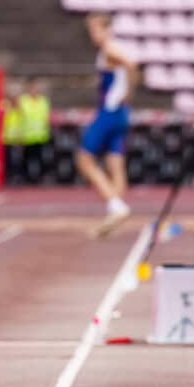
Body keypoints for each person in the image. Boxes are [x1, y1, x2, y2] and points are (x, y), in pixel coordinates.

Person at [78, 13, 138, 237]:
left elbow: (131, 66)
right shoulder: (112, 50)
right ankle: (115, 214)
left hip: (110, 111)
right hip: (120, 112)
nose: (92, 35)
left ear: (106, 29)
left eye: (95, 30)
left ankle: (116, 205)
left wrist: (128, 93)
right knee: (116, 163)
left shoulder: (110, 49)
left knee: (84, 159)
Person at [18, 78, 51, 184]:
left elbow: (46, 117)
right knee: (26, 159)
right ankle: (26, 178)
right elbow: (19, 118)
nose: (34, 91)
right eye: (32, 88)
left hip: (40, 135)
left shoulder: (43, 101)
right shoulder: (23, 101)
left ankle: (40, 178)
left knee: (40, 158)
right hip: (27, 135)